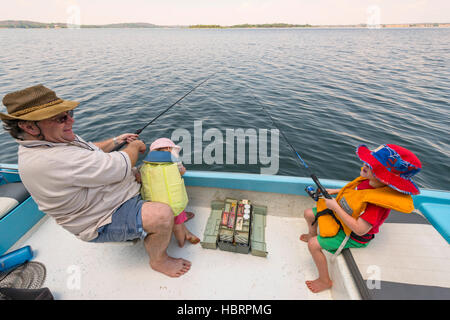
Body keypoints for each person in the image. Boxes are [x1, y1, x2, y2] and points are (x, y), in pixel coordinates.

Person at [0, 84, 191, 277]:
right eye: (61, 118)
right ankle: (159, 260)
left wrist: (118, 140)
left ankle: (176, 217)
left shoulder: (53, 140)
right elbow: (119, 166)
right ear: (29, 126)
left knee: (157, 178)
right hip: (101, 217)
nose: (71, 120)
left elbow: (91, 149)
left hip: (109, 195)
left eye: (69, 112)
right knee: (162, 215)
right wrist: (135, 146)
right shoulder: (48, 160)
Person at [300, 144, 421, 293]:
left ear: (385, 177)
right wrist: (336, 191)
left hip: (353, 235)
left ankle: (325, 280)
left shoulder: (376, 204)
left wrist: (335, 207)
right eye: (367, 162)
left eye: (372, 166)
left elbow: (360, 229)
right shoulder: (368, 182)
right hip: (343, 217)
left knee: (313, 245)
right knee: (308, 213)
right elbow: (355, 191)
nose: (365, 166)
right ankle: (312, 233)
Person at [140, 138, 200, 247]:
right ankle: (181, 242)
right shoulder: (174, 162)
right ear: (168, 149)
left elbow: (140, 178)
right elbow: (183, 172)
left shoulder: (144, 167)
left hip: (155, 208)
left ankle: (180, 227)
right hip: (174, 206)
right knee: (178, 226)